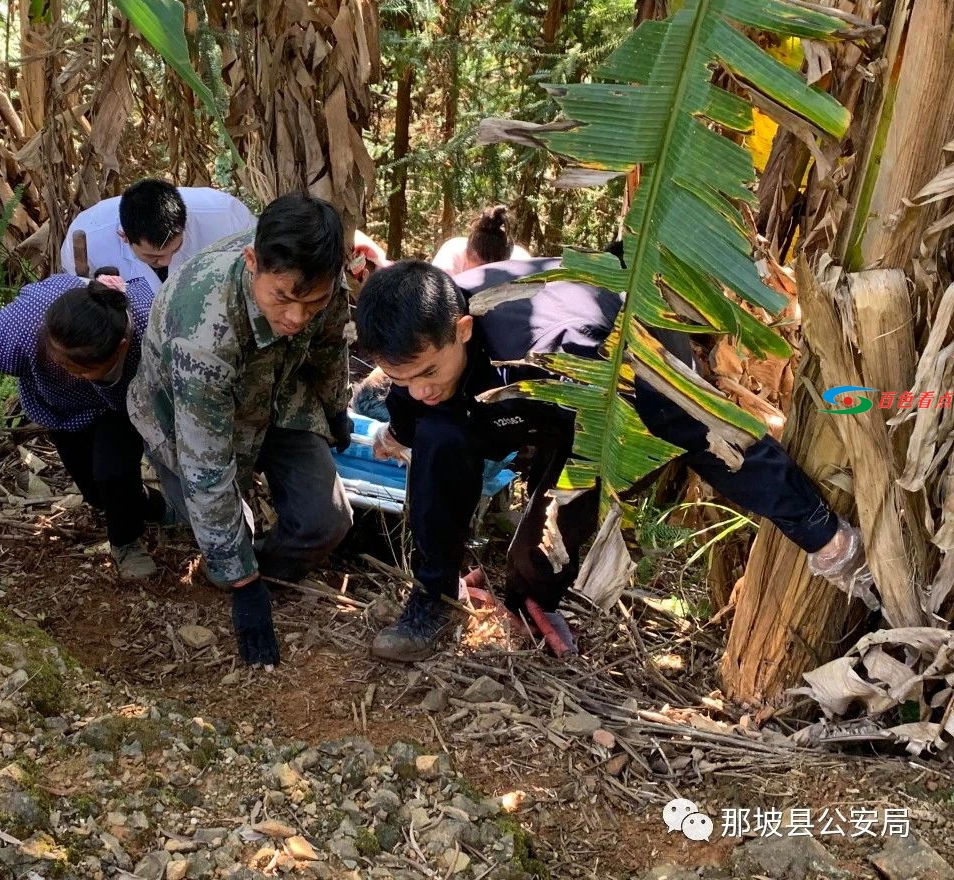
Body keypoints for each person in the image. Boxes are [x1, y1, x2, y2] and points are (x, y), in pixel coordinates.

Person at [353, 258, 869, 662]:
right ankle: (432, 598)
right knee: (438, 433)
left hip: (607, 385)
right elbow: (412, 390)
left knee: (566, 510)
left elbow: (704, 432)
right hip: (502, 397)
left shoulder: (559, 344)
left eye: (427, 372)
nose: (418, 388)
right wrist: (399, 434)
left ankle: (532, 596)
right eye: (403, 378)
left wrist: (818, 529)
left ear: (463, 329)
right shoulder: (422, 336)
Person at [128, 194, 355, 666]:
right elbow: (206, 467)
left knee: (327, 522)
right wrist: (242, 587)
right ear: (252, 262)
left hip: (278, 395)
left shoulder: (322, 281)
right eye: (283, 299)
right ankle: (239, 567)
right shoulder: (203, 328)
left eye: (311, 303)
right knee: (220, 534)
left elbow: (330, 348)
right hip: (186, 415)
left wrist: (336, 411)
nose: (296, 318)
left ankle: (262, 563)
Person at [0, 271, 165, 579]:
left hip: (124, 404)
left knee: (112, 470)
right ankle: (142, 502)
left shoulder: (150, 322)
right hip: (60, 407)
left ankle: (126, 543)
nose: (71, 372)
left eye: (81, 368)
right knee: (96, 491)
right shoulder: (26, 322)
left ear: (122, 347)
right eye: (61, 362)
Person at [59, 178, 255, 290]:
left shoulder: (227, 216)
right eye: (153, 256)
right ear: (124, 236)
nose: (167, 261)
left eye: (175, 248)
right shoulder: (90, 238)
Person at [430, 205, 531, 277]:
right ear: (466, 256)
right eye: (483, 268)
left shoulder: (522, 263)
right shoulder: (448, 262)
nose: (491, 277)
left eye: (499, 269)